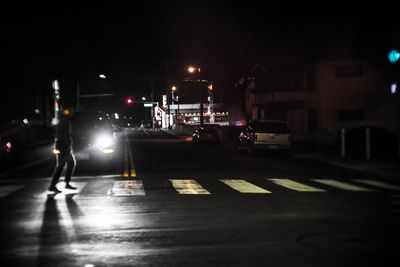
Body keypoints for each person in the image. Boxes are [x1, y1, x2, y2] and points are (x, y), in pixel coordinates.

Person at [48, 107, 77, 193]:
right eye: (70, 112)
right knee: (60, 166)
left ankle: (65, 183)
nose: (72, 113)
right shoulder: (64, 122)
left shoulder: (65, 121)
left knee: (70, 163)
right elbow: (60, 136)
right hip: (62, 148)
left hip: (65, 148)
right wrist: (57, 148)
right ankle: (53, 186)